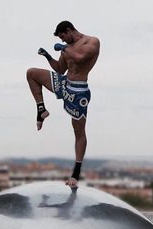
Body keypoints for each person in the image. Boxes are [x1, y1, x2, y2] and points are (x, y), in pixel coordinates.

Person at [26, 21, 100, 188]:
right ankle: (41, 110)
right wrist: (47, 56)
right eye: (61, 40)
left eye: (63, 37)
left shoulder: (92, 41)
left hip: (79, 90)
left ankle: (76, 173)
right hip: (65, 83)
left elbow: (81, 58)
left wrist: (64, 48)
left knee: (79, 132)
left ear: (68, 30)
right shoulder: (66, 47)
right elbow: (60, 69)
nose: (64, 41)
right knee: (31, 73)